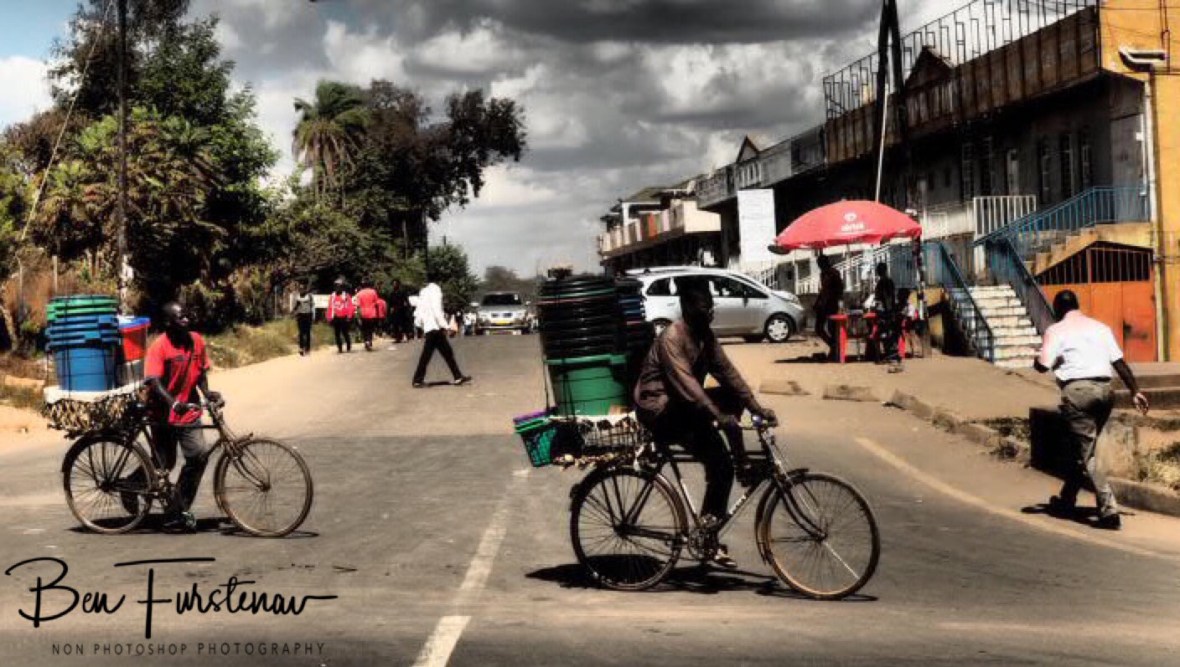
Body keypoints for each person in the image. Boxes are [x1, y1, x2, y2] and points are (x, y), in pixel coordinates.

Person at [633, 280, 777, 568]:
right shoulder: (672, 338)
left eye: (711, 306)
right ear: (687, 308)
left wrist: (757, 408)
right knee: (720, 460)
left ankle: (734, 473)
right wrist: (718, 417)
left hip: (681, 404)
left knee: (729, 400)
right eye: (703, 306)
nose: (709, 311)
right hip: (659, 408)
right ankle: (733, 475)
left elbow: (730, 376)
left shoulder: (705, 337)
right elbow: (688, 387)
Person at [1034, 289, 1150, 530]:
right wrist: (1135, 391)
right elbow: (1119, 362)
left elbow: (1042, 367)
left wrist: (1038, 357)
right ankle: (1067, 499)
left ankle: (1109, 510)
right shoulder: (1100, 327)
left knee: (1087, 454)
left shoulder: (1055, 331)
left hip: (1078, 394)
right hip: (1106, 392)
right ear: (1077, 306)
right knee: (1084, 448)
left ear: (1057, 310)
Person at [142, 302, 222, 532]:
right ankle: (132, 483)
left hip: (189, 410)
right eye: (180, 318)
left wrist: (207, 393)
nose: (186, 320)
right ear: (168, 323)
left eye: (187, 316)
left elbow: (200, 371)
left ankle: (176, 511)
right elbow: (154, 382)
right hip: (163, 413)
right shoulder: (159, 347)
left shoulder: (196, 340)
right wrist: (173, 403)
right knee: (164, 462)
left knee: (198, 456)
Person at [412, 275, 472, 388]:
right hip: (435, 327)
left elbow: (419, 310)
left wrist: (422, 325)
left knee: (444, 353)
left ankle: (457, 376)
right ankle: (417, 380)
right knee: (433, 355)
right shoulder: (436, 290)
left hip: (429, 327)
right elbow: (437, 310)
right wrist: (446, 326)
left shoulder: (423, 292)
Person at [813, 254, 844, 361]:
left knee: (832, 329)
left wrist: (840, 304)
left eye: (820, 263)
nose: (819, 266)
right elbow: (823, 290)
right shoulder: (823, 274)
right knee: (818, 328)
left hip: (832, 304)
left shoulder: (834, 273)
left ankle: (835, 350)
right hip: (823, 304)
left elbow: (840, 289)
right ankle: (833, 345)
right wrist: (817, 302)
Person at [326, 278, 355, 353]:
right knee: (337, 334)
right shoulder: (332, 296)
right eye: (336, 286)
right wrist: (329, 317)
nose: (337, 288)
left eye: (339, 286)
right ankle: (340, 348)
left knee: (345, 333)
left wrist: (349, 316)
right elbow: (330, 307)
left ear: (342, 287)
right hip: (336, 317)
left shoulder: (346, 295)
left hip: (344, 317)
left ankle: (348, 345)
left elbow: (350, 306)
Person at [355, 279, 381, 351]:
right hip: (372, 313)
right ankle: (369, 341)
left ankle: (366, 341)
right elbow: (377, 304)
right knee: (370, 329)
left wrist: (358, 316)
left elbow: (358, 306)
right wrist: (378, 314)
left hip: (363, 314)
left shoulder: (359, 293)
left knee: (364, 329)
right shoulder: (373, 292)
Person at [293, 284, 315, 356]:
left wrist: (313, 316)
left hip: (308, 315)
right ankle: (301, 347)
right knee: (301, 333)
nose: (301, 290)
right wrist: (294, 312)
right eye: (300, 289)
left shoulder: (309, 296)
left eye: (303, 289)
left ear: (305, 289)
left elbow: (312, 306)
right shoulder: (297, 297)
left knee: (308, 333)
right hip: (300, 315)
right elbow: (295, 307)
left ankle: (308, 349)